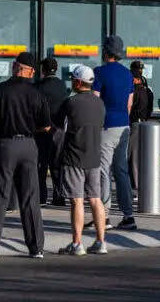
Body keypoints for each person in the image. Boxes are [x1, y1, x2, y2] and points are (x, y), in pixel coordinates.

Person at [0, 52, 52, 260]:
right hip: (29, 145)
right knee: (30, 197)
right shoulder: (37, 94)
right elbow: (45, 125)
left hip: (5, 144)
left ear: (14, 66)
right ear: (31, 71)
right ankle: (36, 247)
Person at [55, 65, 109, 256]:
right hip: (94, 156)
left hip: (74, 156)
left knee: (77, 200)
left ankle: (77, 243)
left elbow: (57, 125)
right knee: (95, 199)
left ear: (78, 82)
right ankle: (101, 241)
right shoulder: (100, 103)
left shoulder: (71, 102)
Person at [92, 36, 137, 231]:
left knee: (103, 171)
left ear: (106, 51)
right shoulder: (128, 74)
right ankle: (128, 215)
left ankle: (104, 216)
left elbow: (95, 101)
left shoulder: (99, 72)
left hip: (106, 126)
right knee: (121, 171)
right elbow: (129, 104)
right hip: (123, 126)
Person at [34, 57, 70, 206]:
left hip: (41, 130)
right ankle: (58, 196)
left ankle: (41, 197)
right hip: (59, 130)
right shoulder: (62, 86)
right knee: (57, 165)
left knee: (41, 165)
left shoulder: (38, 87)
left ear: (43, 70)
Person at [128, 60, 155, 193]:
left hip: (135, 123)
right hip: (144, 123)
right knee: (141, 156)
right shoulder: (147, 90)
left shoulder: (135, 92)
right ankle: (140, 185)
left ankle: (136, 187)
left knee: (133, 157)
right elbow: (149, 109)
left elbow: (129, 108)